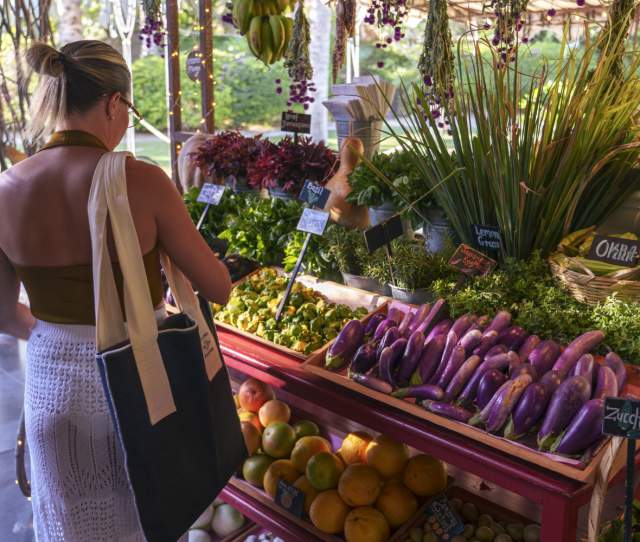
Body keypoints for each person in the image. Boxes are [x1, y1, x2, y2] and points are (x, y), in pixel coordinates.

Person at [0, 40, 231, 541]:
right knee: (138, 524)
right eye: (128, 108)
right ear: (112, 103)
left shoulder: (6, 188)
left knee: (67, 528)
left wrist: (65, 334)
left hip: (49, 396)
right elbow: (218, 288)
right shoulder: (140, 180)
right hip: (133, 396)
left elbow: (3, 312)